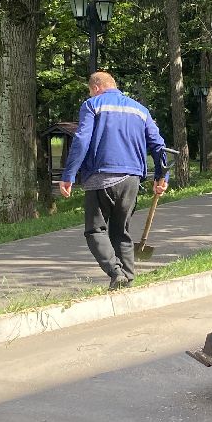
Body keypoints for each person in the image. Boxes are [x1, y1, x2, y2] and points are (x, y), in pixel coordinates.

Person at [60, 71, 169, 287]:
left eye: (90, 91)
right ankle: (127, 281)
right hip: (132, 179)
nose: (90, 94)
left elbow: (82, 139)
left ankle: (115, 271)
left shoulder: (92, 105)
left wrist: (69, 174)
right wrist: (162, 175)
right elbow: (158, 144)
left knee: (95, 230)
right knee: (121, 231)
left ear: (96, 87)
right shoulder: (140, 109)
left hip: (101, 176)